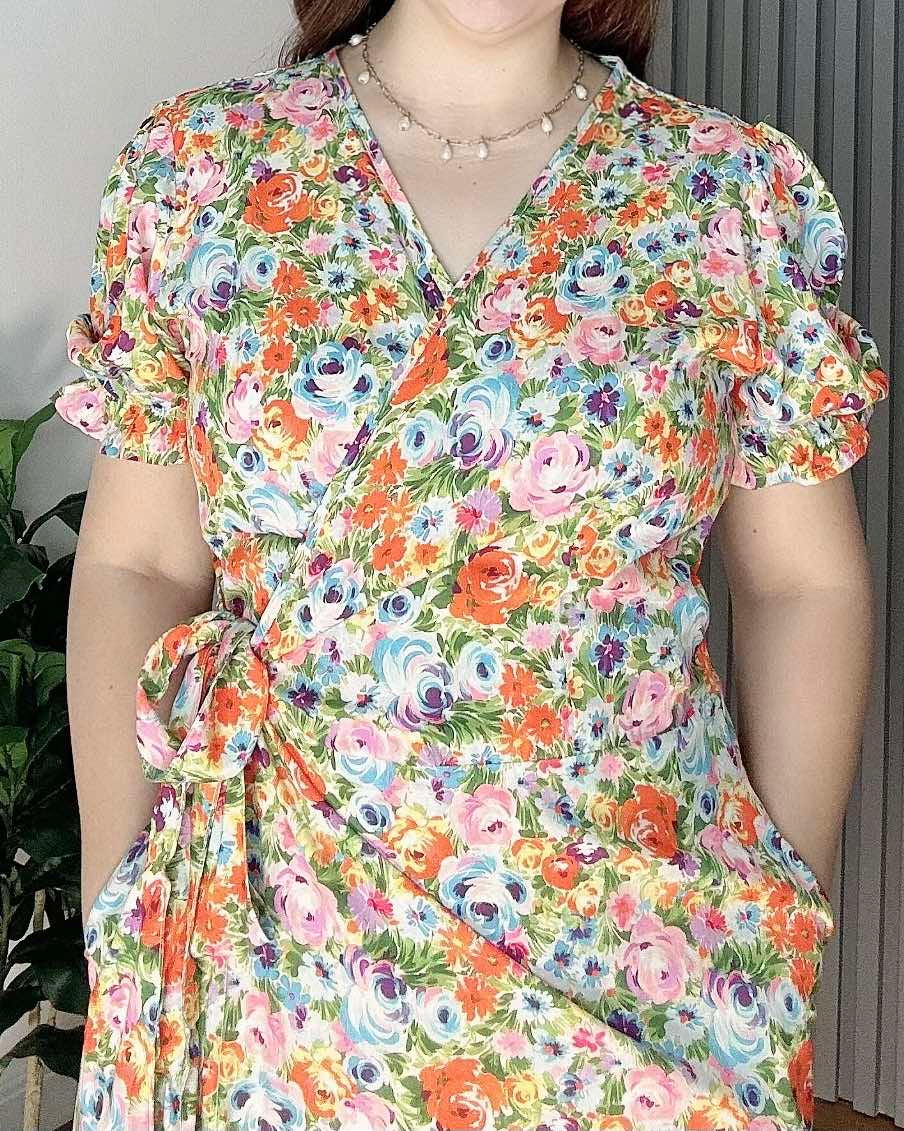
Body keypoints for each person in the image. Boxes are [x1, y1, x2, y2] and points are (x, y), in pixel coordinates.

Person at [54, 1, 889, 1128]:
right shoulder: (197, 167)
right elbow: (142, 562)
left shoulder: (728, 192)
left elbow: (802, 584)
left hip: (637, 954)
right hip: (265, 945)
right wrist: (123, 908)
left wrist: (779, 915)